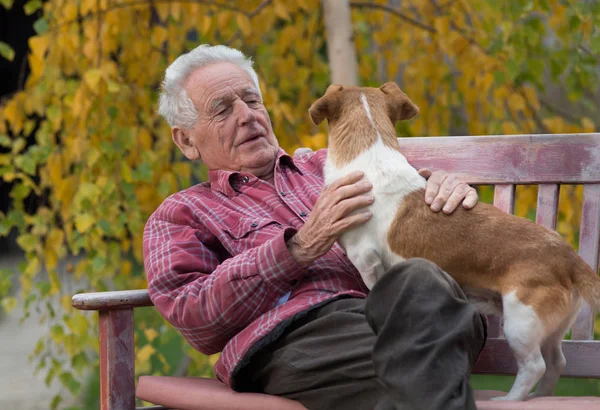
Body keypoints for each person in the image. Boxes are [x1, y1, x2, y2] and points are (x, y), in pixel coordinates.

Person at [144, 44, 486, 410]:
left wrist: (438, 194)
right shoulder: (181, 214)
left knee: (421, 281)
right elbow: (193, 315)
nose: (247, 116)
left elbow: (419, 218)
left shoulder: (337, 165)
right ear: (186, 140)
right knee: (420, 355)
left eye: (252, 101)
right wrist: (297, 248)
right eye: (223, 109)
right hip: (302, 338)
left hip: (405, 314)